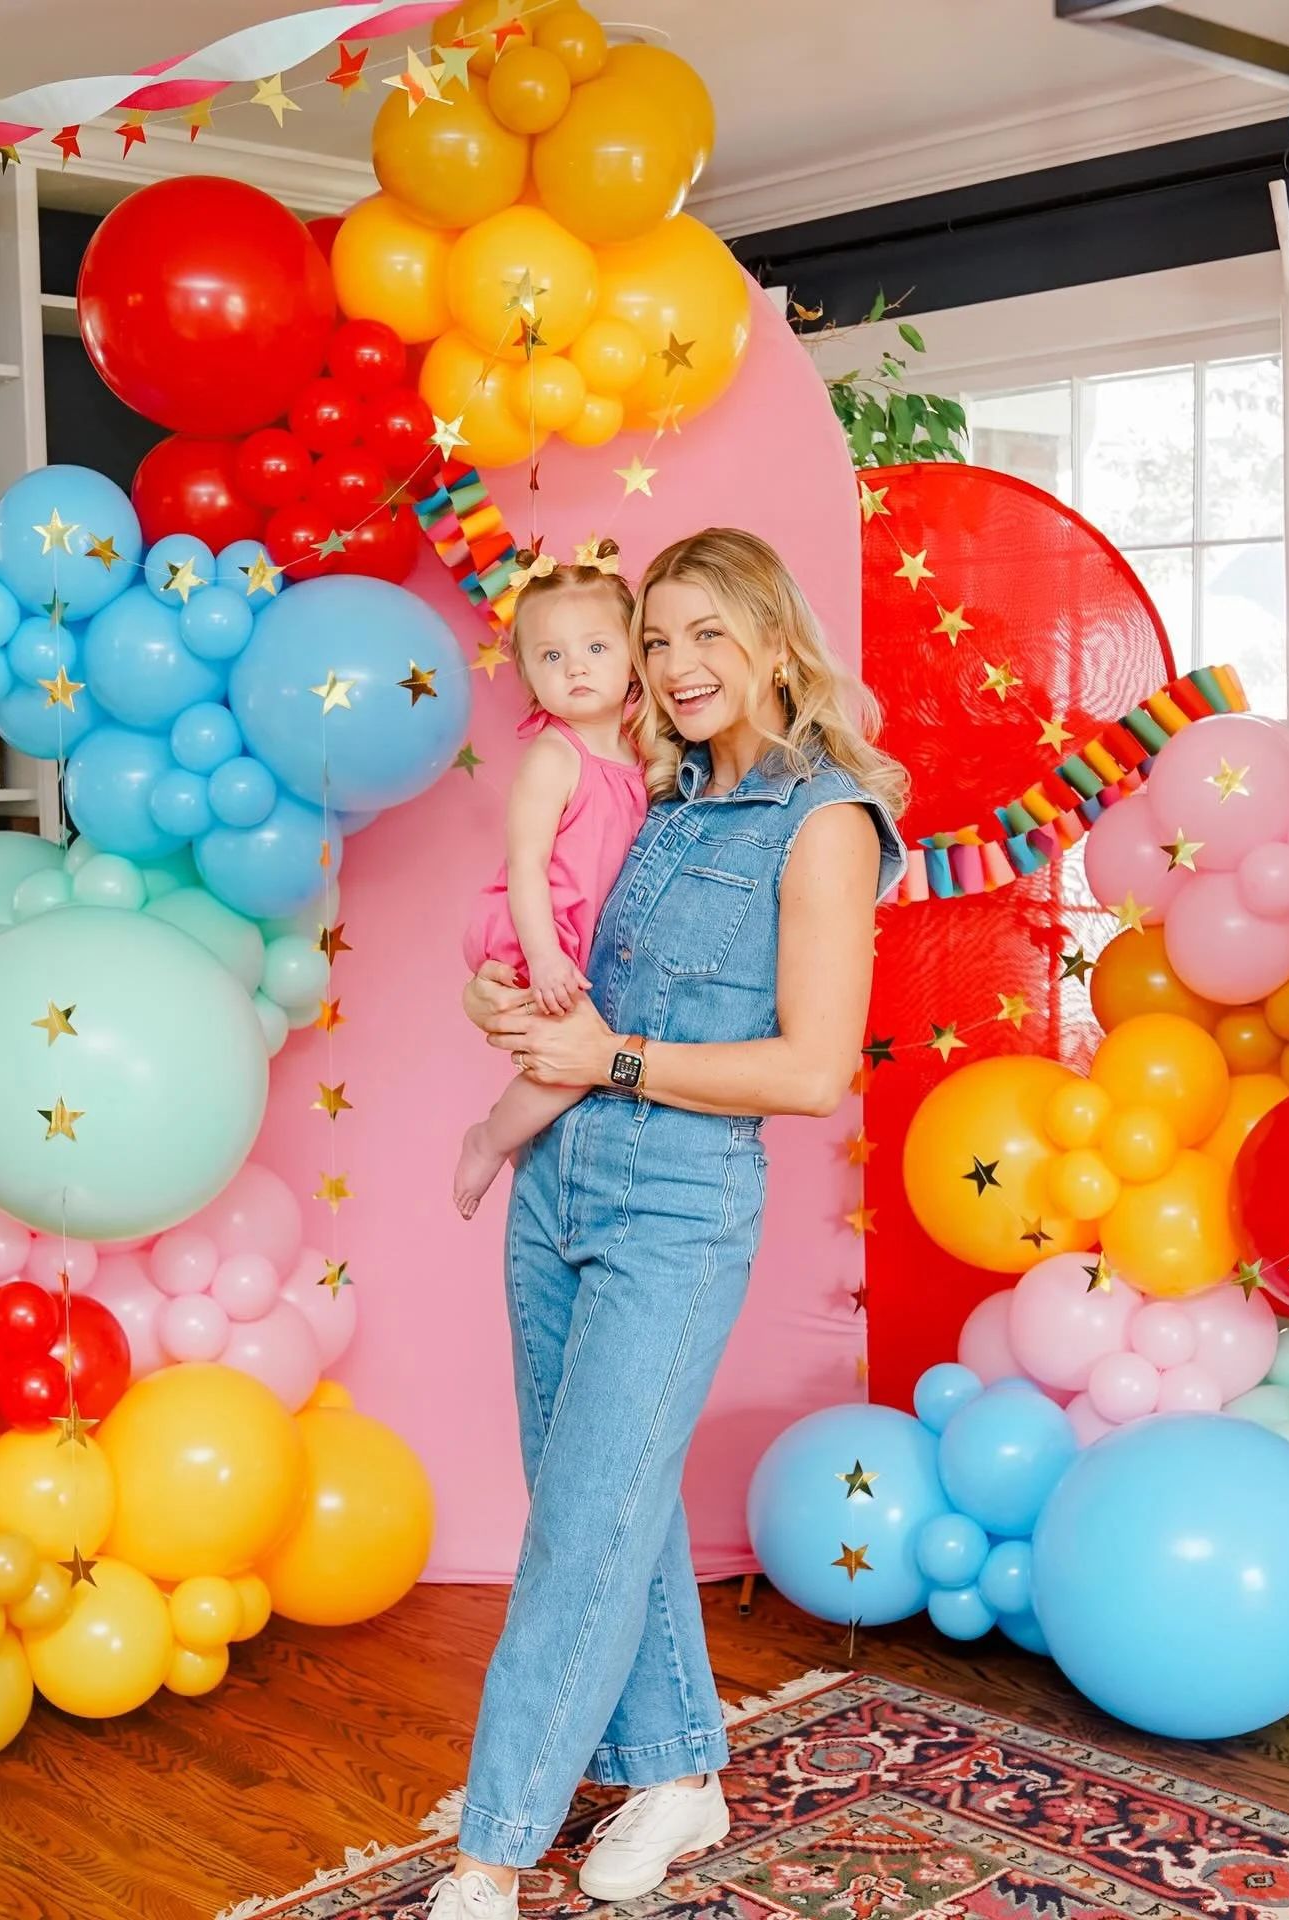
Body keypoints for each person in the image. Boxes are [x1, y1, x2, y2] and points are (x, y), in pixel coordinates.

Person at [433, 528, 908, 1920]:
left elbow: (812, 1072)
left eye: (709, 635)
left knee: (584, 1526)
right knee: (607, 1508)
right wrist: (498, 1003)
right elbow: (553, 955)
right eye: (656, 639)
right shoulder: (647, 792)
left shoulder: (822, 820)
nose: (677, 666)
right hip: (556, 1184)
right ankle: (682, 1775)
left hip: (678, 1205)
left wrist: (613, 1062)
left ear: (774, 642)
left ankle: (492, 1853)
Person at [455, 542, 647, 1218]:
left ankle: (511, 1135)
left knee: (579, 1061)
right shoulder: (552, 756)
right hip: (546, 930)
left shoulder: (639, 752)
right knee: (567, 1066)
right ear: (530, 677)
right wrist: (542, 957)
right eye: (551, 657)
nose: (575, 670)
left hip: (591, 937)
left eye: (596, 648)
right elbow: (526, 867)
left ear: (634, 660)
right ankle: (488, 1139)